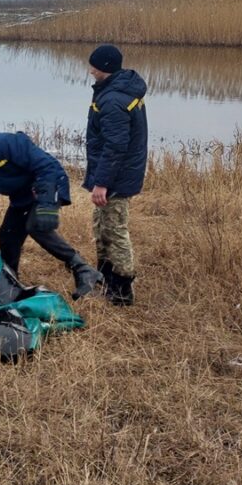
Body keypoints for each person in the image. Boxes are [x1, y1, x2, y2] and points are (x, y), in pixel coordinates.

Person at [0, 127, 103, 300]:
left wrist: (47, 204)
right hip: (23, 195)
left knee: (36, 225)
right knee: (7, 234)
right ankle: (9, 281)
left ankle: (84, 270)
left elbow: (46, 166)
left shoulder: (2, 143)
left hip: (48, 184)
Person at [84, 44, 148, 306]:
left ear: (106, 68)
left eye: (94, 67)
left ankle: (121, 291)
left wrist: (102, 183)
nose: (90, 71)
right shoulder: (117, 90)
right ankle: (105, 278)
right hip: (117, 176)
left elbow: (115, 146)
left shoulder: (112, 100)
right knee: (102, 227)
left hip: (116, 179)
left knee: (115, 230)